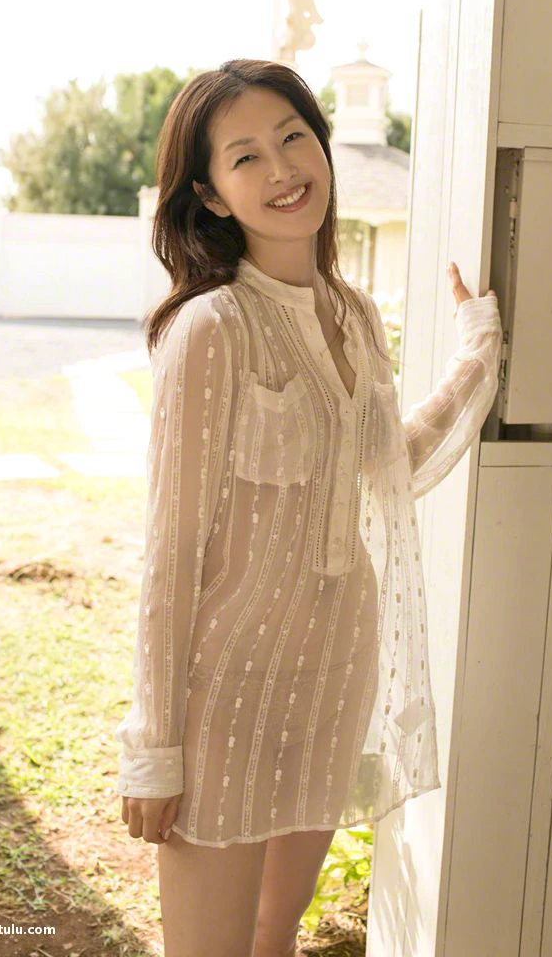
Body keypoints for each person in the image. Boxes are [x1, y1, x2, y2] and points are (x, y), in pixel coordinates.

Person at [113, 58, 503, 957]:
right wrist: (156, 747)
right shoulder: (212, 328)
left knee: (274, 932)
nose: (283, 169)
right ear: (209, 195)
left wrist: (478, 350)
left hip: (333, 674)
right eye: (245, 156)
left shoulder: (355, 315)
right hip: (226, 690)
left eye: (294, 137)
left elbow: (388, 463)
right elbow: (171, 554)